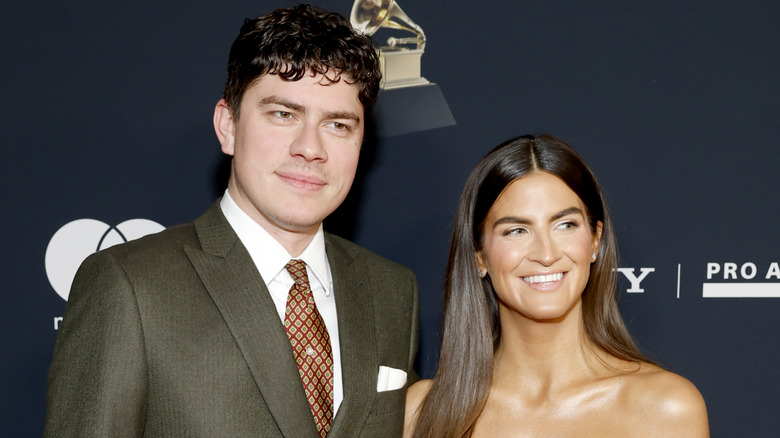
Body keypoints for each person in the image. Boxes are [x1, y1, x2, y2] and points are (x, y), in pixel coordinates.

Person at [44, 5, 419, 437]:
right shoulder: (129, 285)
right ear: (228, 126)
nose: (310, 148)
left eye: (337, 124)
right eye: (284, 114)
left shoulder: (392, 291)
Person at [404, 135, 708, 437]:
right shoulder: (422, 412)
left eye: (565, 225)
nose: (546, 254)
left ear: (594, 241)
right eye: (517, 230)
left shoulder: (664, 409)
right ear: (479, 256)